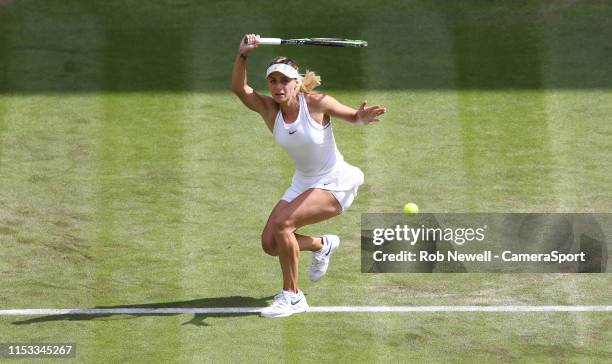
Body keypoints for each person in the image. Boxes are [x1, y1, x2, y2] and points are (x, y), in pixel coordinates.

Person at [231, 34, 386, 318]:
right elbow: (240, 89)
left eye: (284, 81)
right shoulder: (269, 110)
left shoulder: (315, 103)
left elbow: (353, 116)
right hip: (303, 182)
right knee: (270, 244)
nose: (278, 86)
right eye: (273, 81)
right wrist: (243, 55)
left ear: (296, 83)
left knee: (283, 224)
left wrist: (361, 117)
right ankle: (322, 245)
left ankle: (292, 296)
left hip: (335, 181)